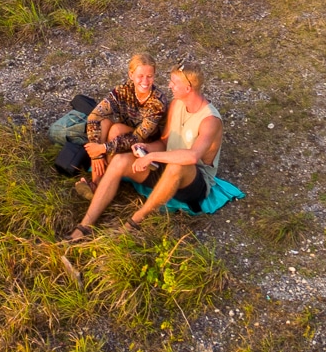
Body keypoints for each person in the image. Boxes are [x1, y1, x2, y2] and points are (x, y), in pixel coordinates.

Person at [67, 65, 223, 243]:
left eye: (174, 82)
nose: (169, 85)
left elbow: (193, 156)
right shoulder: (177, 104)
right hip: (165, 165)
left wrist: (151, 157)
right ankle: (84, 225)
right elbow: (164, 143)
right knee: (119, 161)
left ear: (188, 88)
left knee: (179, 165)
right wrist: (146, 149)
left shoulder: (210, 120)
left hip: (194, 181)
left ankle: (134, 221)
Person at [76, 54, 166, 191]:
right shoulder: (122, 91)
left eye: (149, 76)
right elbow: (94, 116)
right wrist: (96, 154)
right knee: (104, 122)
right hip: (123, 138)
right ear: (131, 75)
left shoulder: (157, 102)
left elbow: (138, 137)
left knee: (115, 129)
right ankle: (97, 183)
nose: (145, 81)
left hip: (146, 145)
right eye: (140, 76)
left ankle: (100, 186)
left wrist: (103, 148)